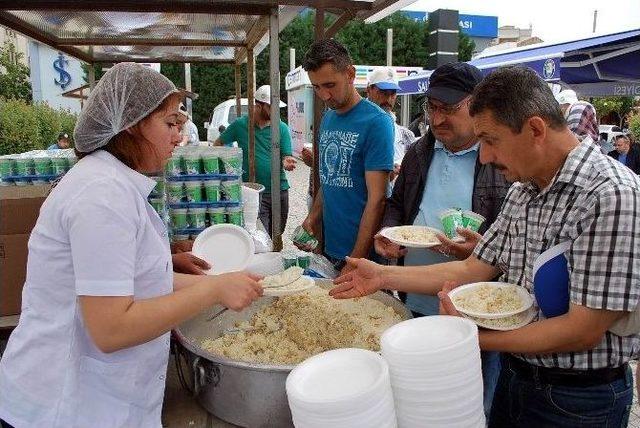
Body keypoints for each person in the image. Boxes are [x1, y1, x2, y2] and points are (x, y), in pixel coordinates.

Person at [330, 66, 640, 427]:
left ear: (536, 129)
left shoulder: (612, 195)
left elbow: (582, 329)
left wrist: (472, 339)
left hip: (578, 398)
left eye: (490, 141)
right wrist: (381, 276)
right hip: (517, 375)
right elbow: (471, 269)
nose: (485, 157)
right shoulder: (524, 190)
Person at [0, 63, 263, 428]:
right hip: (65, 407)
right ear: (131, 125)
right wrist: (215, 289)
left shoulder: (114, 183)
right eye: (170, 124)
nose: (179, 136)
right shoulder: (101, 195)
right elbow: (112, 329)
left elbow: (139, 280)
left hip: (97, 402)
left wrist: (226, 285)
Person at [374, 62, 510, 415]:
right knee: (420, 396)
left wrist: (481, 249)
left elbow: (514, 241)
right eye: (432, 107)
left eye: (449, 109)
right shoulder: (419, 152)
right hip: (416, 299)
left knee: (469, 401)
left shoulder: (499, 158)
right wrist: (388, 234)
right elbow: (398, 205)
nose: (437, 119)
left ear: (477, 106)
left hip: (473, 310)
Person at [298, 39, 394, 273]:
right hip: (331, 248)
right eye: (317, 87)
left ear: (350, 74)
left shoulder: (377, 122)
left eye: (330, 84)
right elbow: (329, 179)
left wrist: (356, 260)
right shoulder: (328, 118)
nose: (324, 95)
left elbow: (378, 199)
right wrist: (313, 217)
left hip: (364, 255)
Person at [214, 85, 296, 237]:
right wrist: (226, 166)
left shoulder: (282, 128)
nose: (276, 111)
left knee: (277, 233)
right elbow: (218, 144)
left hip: (279, 190)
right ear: (259, 105)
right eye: (272, 107)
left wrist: (287, 161)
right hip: (254, 191)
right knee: (261, 235)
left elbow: (287, 155)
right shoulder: (240, 125)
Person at [365, 67, 416, 180]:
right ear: (368, 90)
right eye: (383, 92)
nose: (388, 99)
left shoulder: (405, 134)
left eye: (392, 94)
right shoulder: (356, 124)